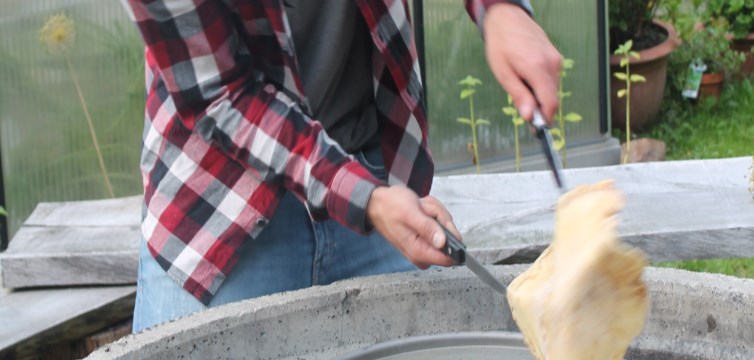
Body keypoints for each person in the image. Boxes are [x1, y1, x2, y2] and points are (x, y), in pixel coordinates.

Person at [123, 0, 562, 332]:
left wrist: (501, 10)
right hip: (221, 211)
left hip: (371, 173)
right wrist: (365, 197)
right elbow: (221, 95)